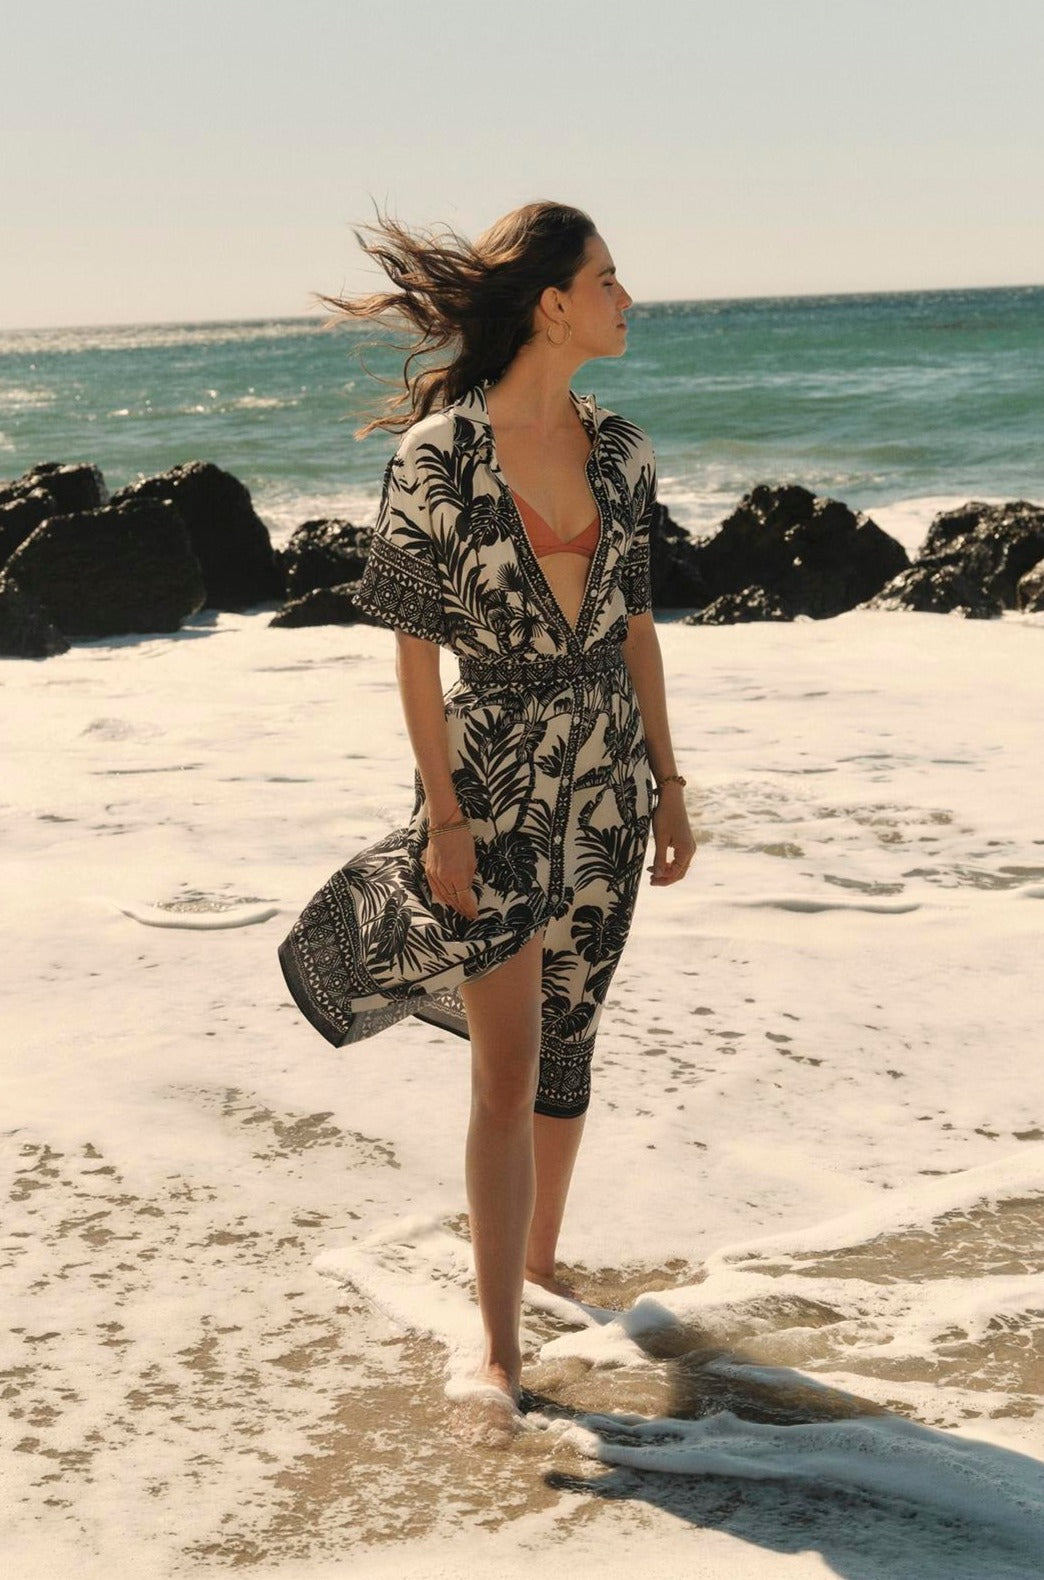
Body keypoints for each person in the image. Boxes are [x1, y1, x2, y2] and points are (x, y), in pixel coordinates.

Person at [278, 200, 696, 1436]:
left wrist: (670, 787)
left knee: (568, 1044)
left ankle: (540, 1264)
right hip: (496, 778)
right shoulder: (439, 456)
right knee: (506, 1064)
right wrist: (444, 815)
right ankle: (499, 1349)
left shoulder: (622, 451)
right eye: (612, 278)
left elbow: (635, 633)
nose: (631, 298)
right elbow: (413, 654)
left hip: (607, 785)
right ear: (554, 301)